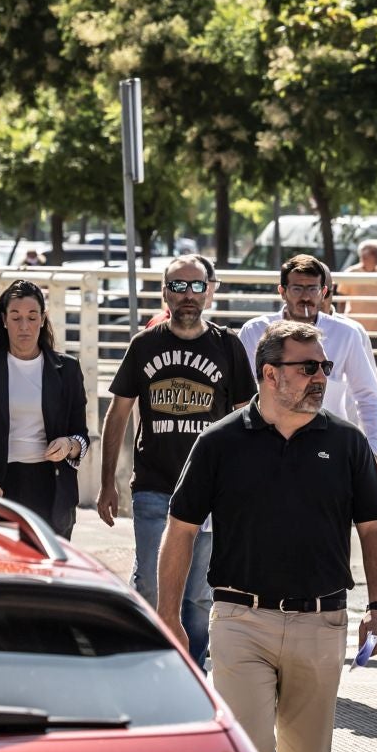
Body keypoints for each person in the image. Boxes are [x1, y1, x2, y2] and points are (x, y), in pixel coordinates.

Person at [160, 320, 377, 752]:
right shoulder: (220, 442)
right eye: (307, 367)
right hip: (242, 621)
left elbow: (375, 530)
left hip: (322, 622)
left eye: (324, 368)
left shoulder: (347, 443)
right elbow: (180, 530)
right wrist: (168, 617)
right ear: (269, 373)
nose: (321, 378)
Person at [98, 255, 254, 670]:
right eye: (179, 286)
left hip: (210, 494)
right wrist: (107, 482)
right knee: (150, 582)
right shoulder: (144, 344)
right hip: (154, 485)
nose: (188, 295)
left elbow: (248, 418)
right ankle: (146, 659)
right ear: (165, 292)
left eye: (196, 286)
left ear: (211, 290)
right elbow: (117, 414)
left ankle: (193, 667)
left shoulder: (228, 346)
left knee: (199, 593)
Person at [0, 280, 88, 537]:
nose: (24, 326)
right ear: (3, 320)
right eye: (16, 317)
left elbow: (81, 435)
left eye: (32, 317)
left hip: (51, 489)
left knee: (48, 573)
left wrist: (68, 445)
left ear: (43, 319)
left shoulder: (67, 370)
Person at [239, 254, 377, 461]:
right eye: (297, 288)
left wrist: (374, 451)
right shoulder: (254, 331)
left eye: (312, 289)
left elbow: (368, 395)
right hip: (268, 443)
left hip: (328, 444)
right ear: (282, 291)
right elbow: (242, 394)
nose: (305, 297)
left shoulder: (346, 333)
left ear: (323, 292)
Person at [341, 238, 377, 334]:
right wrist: (341, 321)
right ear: (363, 256)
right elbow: (342, 301)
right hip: (355, 327)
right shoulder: (351, 273)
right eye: (374, 253)